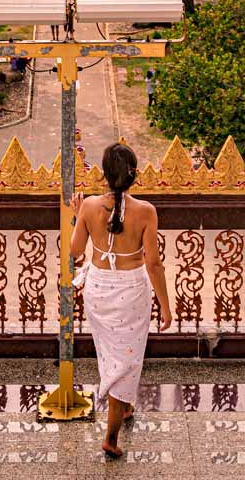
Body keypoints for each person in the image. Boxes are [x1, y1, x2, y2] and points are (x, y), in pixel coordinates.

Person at [71, 142, 172, 459]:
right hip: (131, 291)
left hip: (99, 290)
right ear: (133, 175)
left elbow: (75, 251)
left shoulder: (88, 206)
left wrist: (79, 216)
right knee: (125, 359)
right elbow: (154, 265)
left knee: (113, 355)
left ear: (102, 174)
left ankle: (125, 406)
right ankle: (110, 438)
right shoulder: (146, 212)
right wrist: (166, 306)